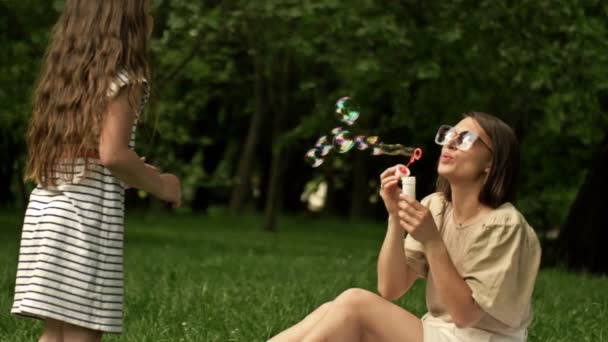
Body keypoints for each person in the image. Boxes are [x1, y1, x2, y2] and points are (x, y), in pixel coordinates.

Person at [269, 112, 541, 341]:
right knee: (335, 308)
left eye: (466, 139)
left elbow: (466, 315)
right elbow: (390, 288)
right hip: (436, 332)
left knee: (355, 303)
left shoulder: (504, 225)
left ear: (491, 163)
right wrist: (395, 218)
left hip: (479, 338)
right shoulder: (436, 206)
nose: (450, 144)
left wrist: (433, 241)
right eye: (448, 136)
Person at [11, 1, 181, 341]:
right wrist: (162, 185)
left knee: (56, 330)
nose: (151, 18)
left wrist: (132, 171)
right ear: (127, 23)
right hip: (83, 222)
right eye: (146, 11)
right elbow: (114, 155)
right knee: (83, 333)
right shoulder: (126, 79)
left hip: (47, 212)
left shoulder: (70, 77)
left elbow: (91, 153)